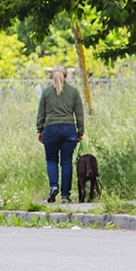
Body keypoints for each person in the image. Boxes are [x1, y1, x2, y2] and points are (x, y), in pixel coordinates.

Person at [36, 65, 85, 203]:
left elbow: (41, 114)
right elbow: (79, 115)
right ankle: (65, 196)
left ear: (52, 76)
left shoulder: (46, 93)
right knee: (66, 162)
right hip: (69, 130)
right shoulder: (73, 92)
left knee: (51, 160)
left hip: (50, 130)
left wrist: (39, 130)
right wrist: (80, 132)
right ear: (66, 76)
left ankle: (53, 187)